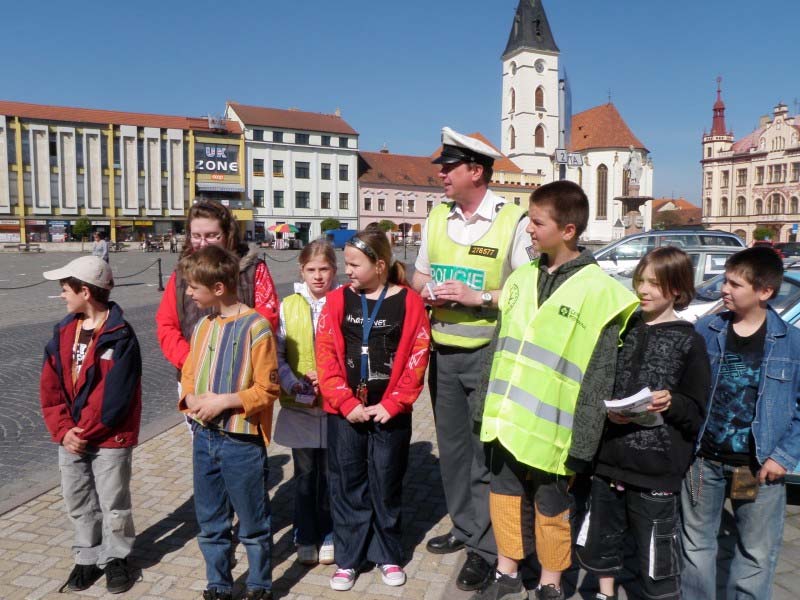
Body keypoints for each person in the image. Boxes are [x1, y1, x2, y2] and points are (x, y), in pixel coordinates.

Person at [476, 181, 639, 600]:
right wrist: (482, 403)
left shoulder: (600, 292)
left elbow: (600, 373)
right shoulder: (520, 279)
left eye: (536, 221)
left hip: (556, 433)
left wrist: (585, 440)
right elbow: (499, 347)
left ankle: (551, 582)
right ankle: (507, 571)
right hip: (507, 418)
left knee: (552, 510)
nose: (528, 229)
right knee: (505, 497)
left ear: (568, 230)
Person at [411, 126, 532, 591]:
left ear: (476, 172)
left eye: (449, 167)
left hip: (488, 353)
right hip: (443, 352)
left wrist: (477, 296)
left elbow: (525, 291)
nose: (441, 174)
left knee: (485, 456)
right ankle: (465, 528)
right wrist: (430, 289)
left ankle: (486, 548)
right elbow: (420, 274)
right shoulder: (437, 217)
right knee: (454, 452)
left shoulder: (513, 221)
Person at [575, 247, 710, 600]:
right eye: (640, 281)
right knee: (602, 538)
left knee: (657, 552)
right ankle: (605, 593)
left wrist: (672, 402)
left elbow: (696, 410)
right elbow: (600, 381)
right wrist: (609, 411)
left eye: (654, 283)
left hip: (656, 468)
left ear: (677, 290)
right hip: (609, 459)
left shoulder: (690, 341)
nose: (643, 290)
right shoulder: (624, 328)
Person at [680, 246, 800, 599]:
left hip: (757, 466)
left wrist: (783, 456)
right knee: (696, 546)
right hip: (704, 462)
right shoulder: (707, 329)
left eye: (735, 284)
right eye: (726, 281)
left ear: (764, 292)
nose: (724, 289)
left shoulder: (791, 344)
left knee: (756, 553)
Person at [316, 226, 430, 591]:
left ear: (380, 265)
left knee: (385, 482)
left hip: (389, 414)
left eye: (354, 264)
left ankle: (388, 553)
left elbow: (418, 352)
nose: (346, 270)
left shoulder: (409, 301)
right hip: (346, 414)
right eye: (345, 263)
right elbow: (326, 354)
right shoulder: (337, 300)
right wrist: (344, 402)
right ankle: (349, 558)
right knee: (347, 483)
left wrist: (396, 403)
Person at [178, 245, 280, 600]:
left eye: (193, 287)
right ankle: (218, 583)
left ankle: (259, 584)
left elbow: (267, 389)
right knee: (210, 521)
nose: (188, 293)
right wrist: (190, 399)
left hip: (242, 442)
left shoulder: (257, 327)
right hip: (205, 440)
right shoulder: (203, 326)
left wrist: (224, 401)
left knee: (252, 521)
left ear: (218, 288)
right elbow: (189, 375)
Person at [39, 255, 141, 595]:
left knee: (114, 502)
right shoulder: (63, 331)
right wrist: (64, 430)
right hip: (71, 437)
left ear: (85, 291)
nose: (61, 296)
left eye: (65, 289)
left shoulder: (120, 335)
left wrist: (84, 433)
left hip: (110, 437)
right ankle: (86, 555)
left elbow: (116, 397)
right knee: (77, 498)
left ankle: (117, 558)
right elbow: (50, 387)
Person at [156, 199, 279, 382]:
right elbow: (166, 325)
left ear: (228, 235)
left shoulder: (253, 270)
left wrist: (233, 360)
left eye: (212, 235)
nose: (203, 243)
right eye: (196, 236)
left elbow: (267, 318)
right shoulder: (181, 275)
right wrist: (191, 362)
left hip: (242, 374)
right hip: (193, 374)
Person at [273, 239, 338, 566]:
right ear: (301, 270)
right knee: (305, 472)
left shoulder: (344, 302)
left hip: (334, 406)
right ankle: (305, 530)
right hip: (300, 406)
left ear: (334, 270)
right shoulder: (289, 306)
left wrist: (327, 376)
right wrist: (292, 380)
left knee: (331, 473)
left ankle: (328, 530)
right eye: (311, 270)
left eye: (324, 269)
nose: (317, 276)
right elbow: (279, 354)